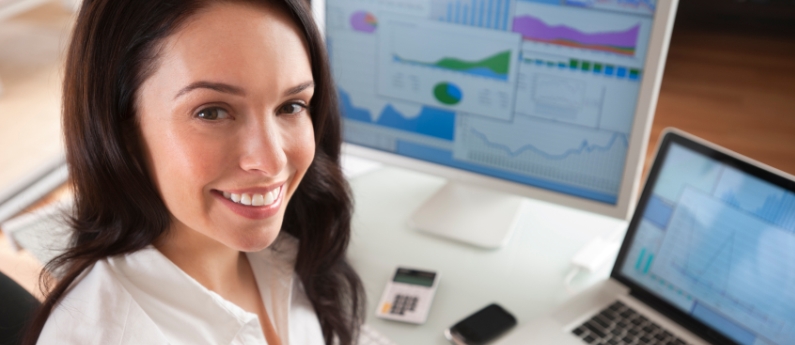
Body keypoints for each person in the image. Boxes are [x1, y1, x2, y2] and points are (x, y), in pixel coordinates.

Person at [23, 0, 364, 344]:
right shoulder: (102, 335)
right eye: (212, 112)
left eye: (291, 106)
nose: (272, 161)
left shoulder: (292, 244)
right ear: (122, 130)